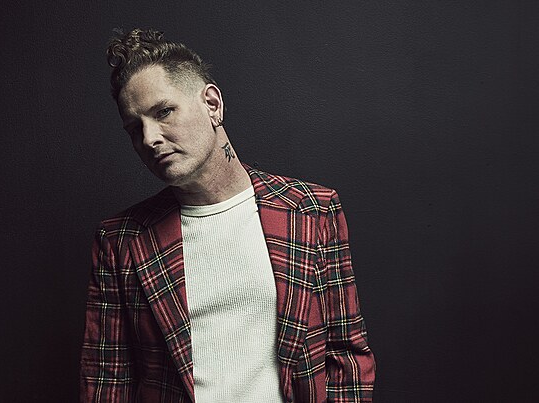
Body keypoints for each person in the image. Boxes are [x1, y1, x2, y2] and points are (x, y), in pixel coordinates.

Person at [80, 28, 375, 402]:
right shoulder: (120, 240)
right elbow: (106, 379)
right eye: (134, 128)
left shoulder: (313, 209)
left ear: (212, 104)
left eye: (163, 112)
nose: (149, 138)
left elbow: (346, 353)